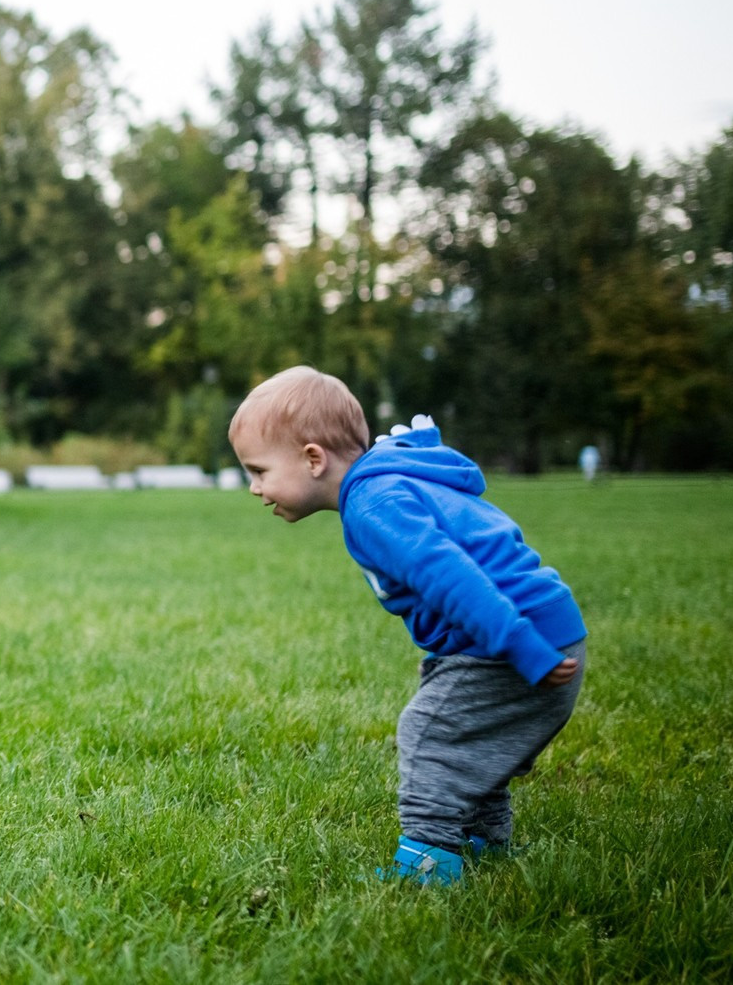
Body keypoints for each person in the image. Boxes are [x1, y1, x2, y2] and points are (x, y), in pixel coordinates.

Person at [226, 366, 587, 886]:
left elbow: (452, 576)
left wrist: (519, 645)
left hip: (519, 639)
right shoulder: (386, 483)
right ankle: (484, 844)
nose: (255, 488)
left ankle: (427, 865)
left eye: (259, 471)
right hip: (541, 631)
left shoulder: (374, 506)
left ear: (312, 458)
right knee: (465, 735)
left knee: (429, 732)